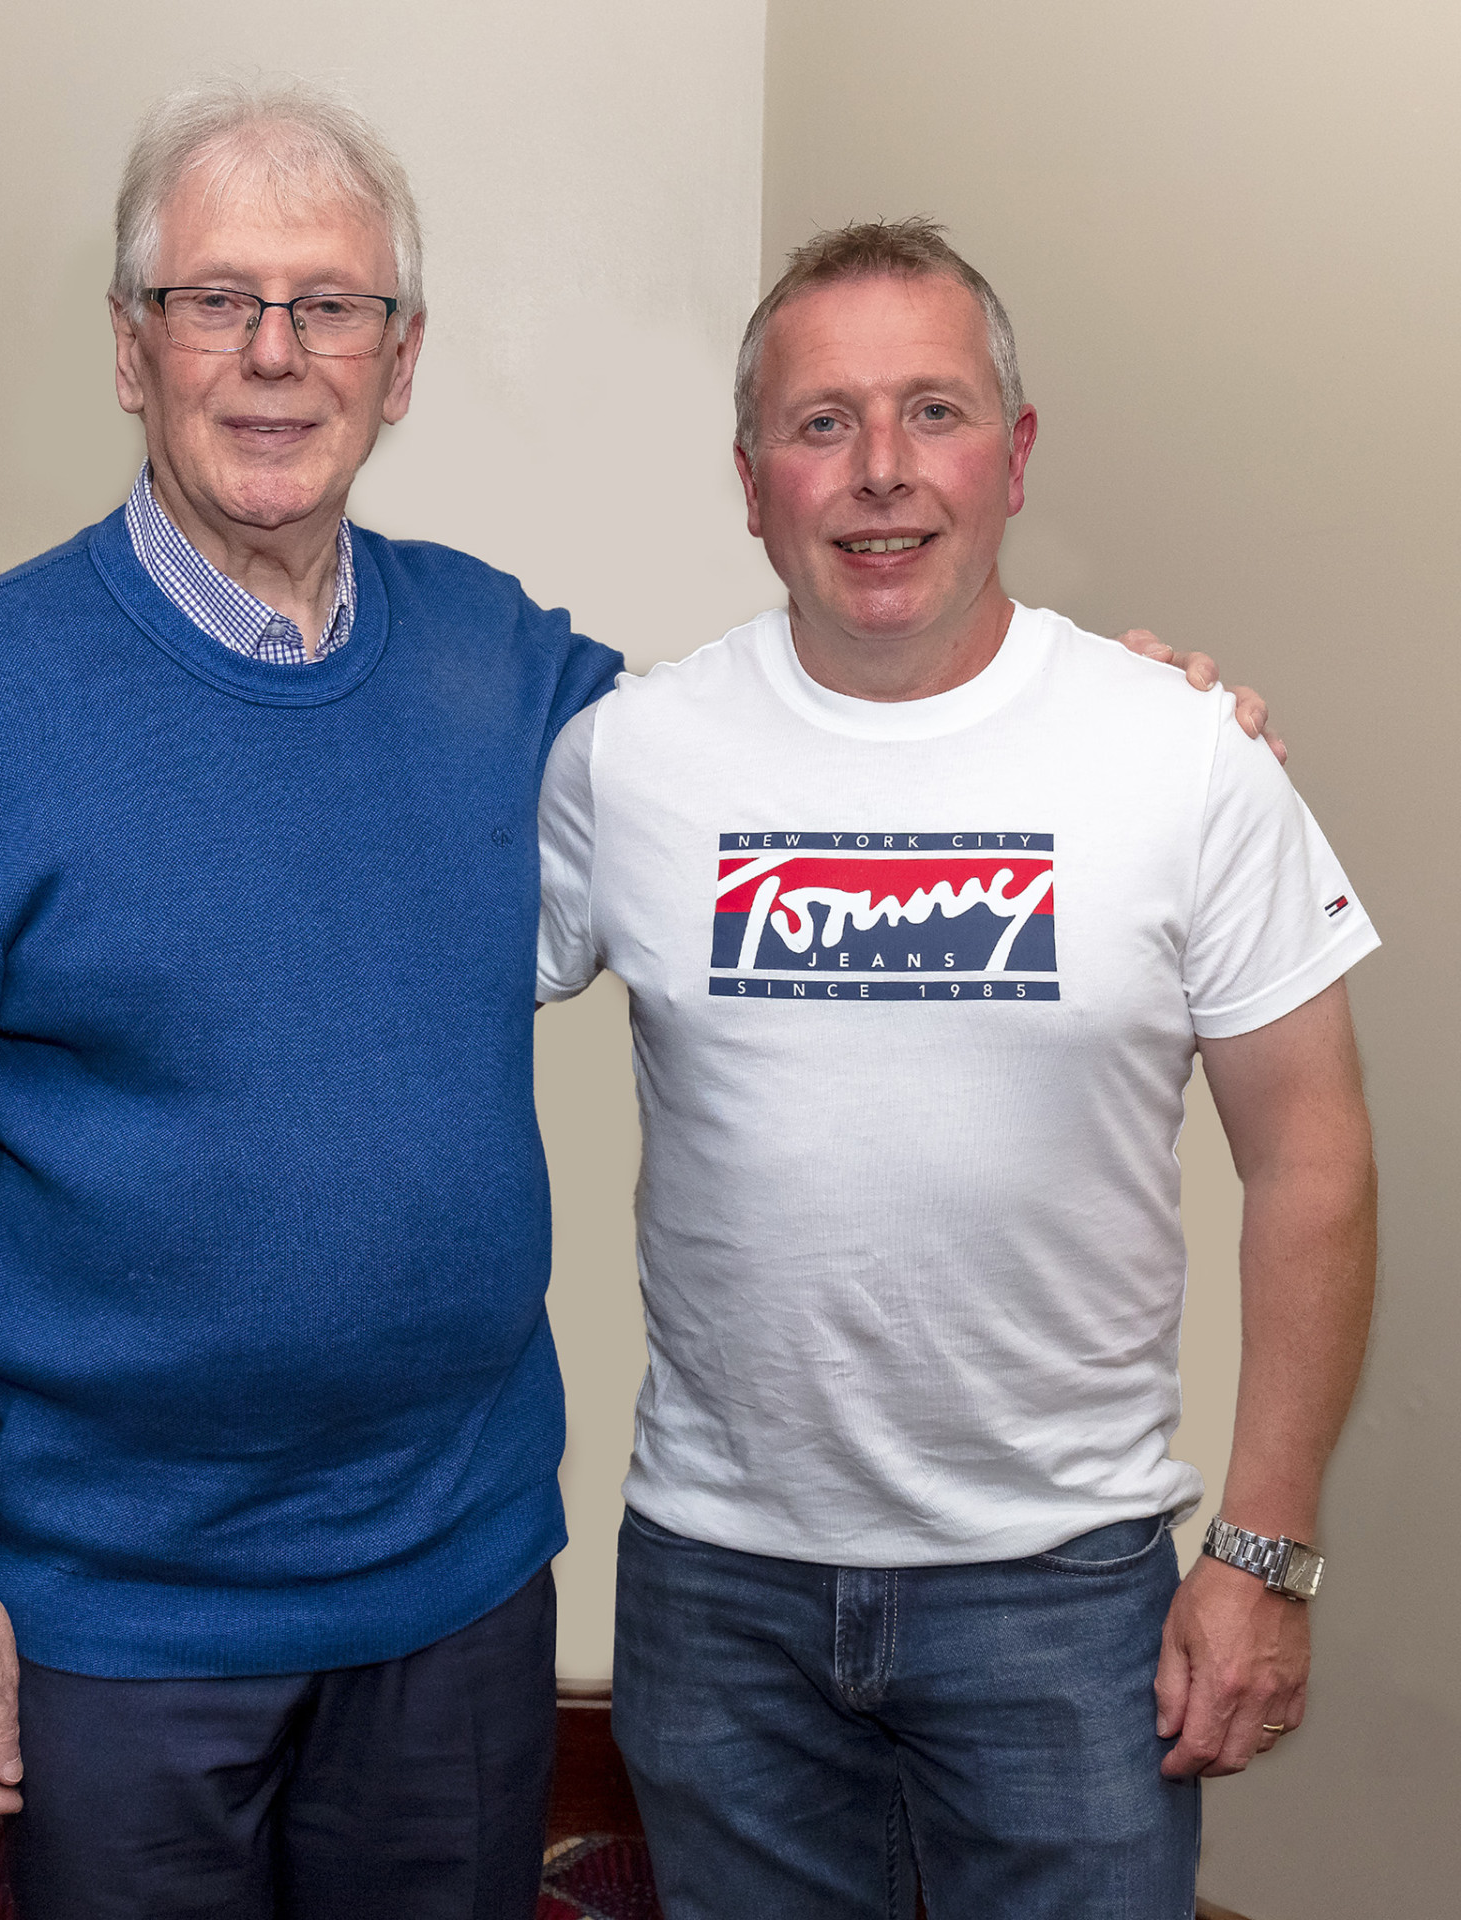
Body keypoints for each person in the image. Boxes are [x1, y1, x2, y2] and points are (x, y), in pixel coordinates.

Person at [0, 82, 1267, 1916]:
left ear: (399, 362)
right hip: (119, 1609)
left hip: (456, 1583)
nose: (273, 353)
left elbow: (782, 755)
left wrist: (1093, 714)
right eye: (215, 299)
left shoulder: (502, 663)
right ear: (129, 345)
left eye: (331, 305)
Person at [535, 219, 1378, 1918]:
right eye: (821, 422)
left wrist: (1265, 1554)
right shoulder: (627, 763)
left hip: (1062, 1595)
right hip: (722, 1593)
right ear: (751, 480)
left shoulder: (1182, 759)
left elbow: (1315, 1162)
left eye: (934, 410)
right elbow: (395, 1005)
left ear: (1015, 452)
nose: (881, 471)